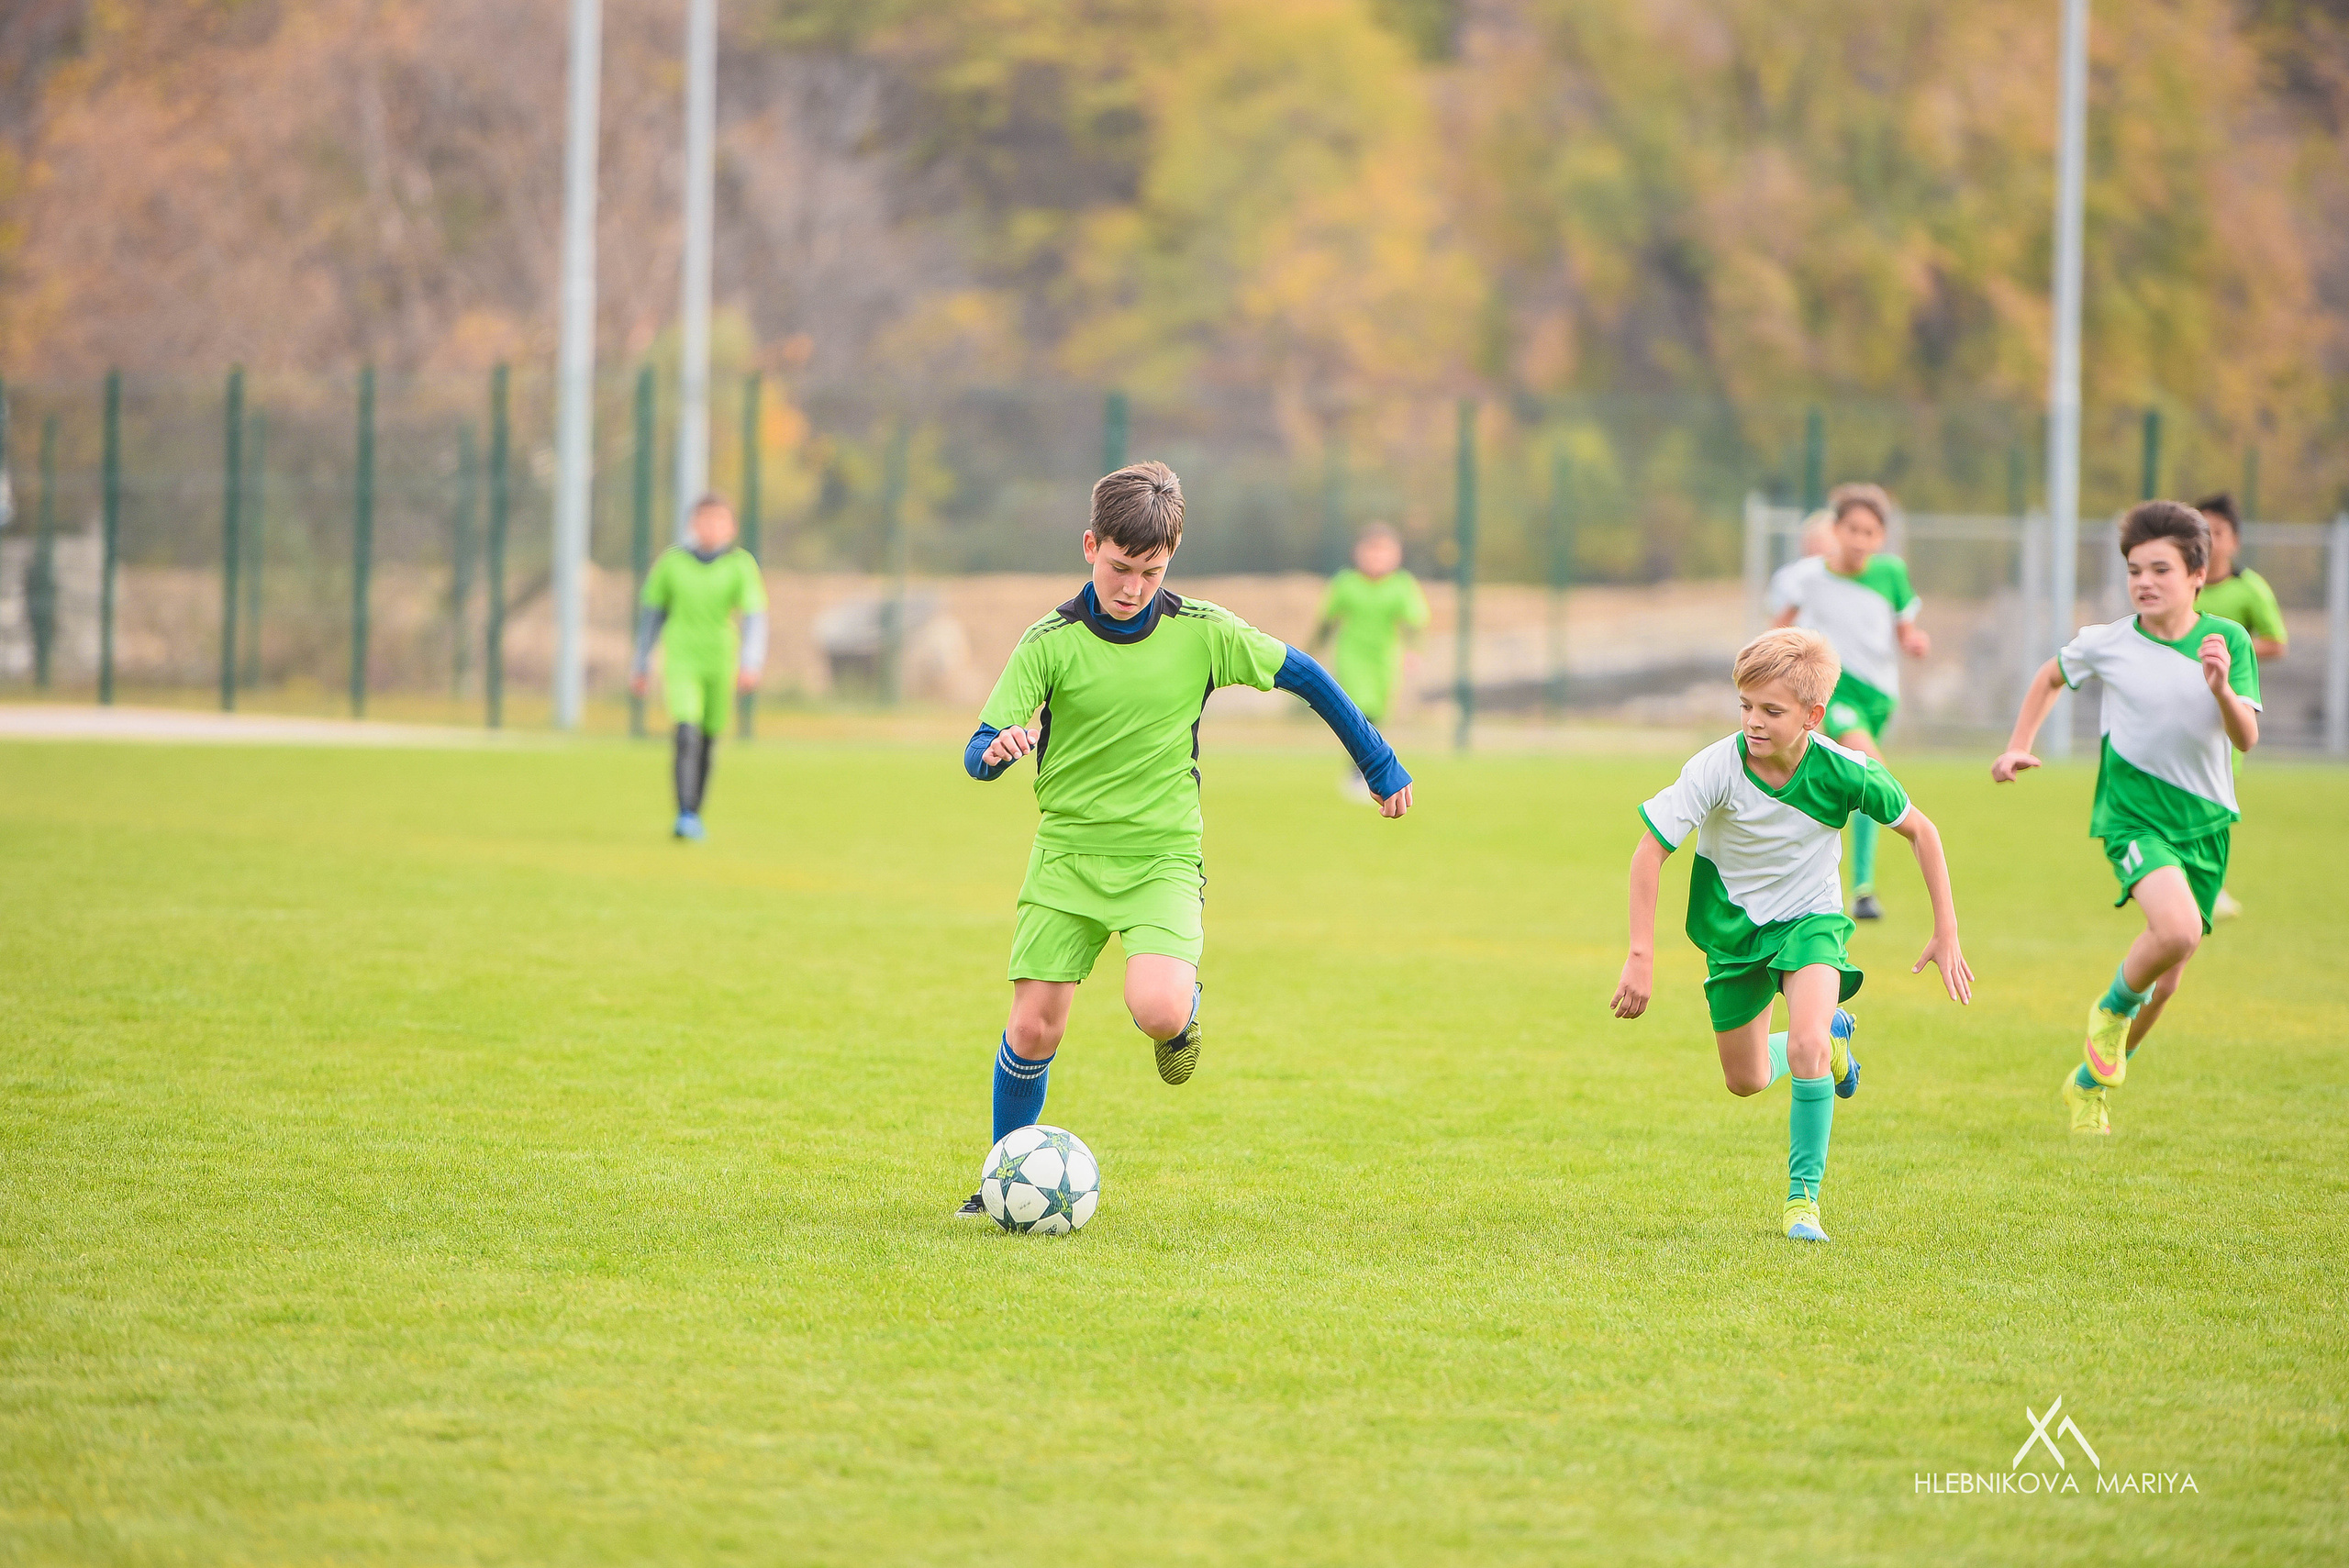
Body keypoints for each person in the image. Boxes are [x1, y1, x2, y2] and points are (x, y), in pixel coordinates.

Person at [956, 462, 1413, 1217]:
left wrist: (1377, 759)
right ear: (1089, 545)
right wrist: (994, 751)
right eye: (1118, 567)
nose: (1132, 586)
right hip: (1066, 854)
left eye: (1150, 570)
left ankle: (1186, 1005)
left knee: (1160, 1011)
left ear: (1171, 559)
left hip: (1162, 857)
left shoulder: (1202, 632)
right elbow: (977, 746)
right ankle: (999, 1177)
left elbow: (1304, 674)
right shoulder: (1049, 640)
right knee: (1034, 1024)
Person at [1612, 628, 1970, 1243]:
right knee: (1745, 1078)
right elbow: (1650, 852)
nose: (1753, 721)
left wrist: (1947, 930)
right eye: (1745, 706)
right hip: (1734, 933)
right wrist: (1641, 954)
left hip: (1812, 921)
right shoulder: (1715, 767)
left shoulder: (1847, 770)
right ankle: (1832, 1044)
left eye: (1771, 711)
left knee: (1801, 1042)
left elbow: (1923, 831)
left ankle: (1803, 1202)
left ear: (1813, 715)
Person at [1991, 502, 2260, 1137]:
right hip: (2132, 817)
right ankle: (2109, 1012)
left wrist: (2221, 687)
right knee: (2178, 929)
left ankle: (2091, 1081)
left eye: (2160, 568)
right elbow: (2049, 676)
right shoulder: (2107, 642)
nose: (2144, 581)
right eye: (2135, 569)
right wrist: (2017, 741)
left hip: (2205, 825)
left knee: (2165, 986)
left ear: (2199, 573)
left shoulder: (2229, 642)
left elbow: (2246, 738)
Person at [1767, 484, 1928, 921]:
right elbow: (1778, 628)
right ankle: (1860, 890)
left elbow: (1903, 629)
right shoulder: (1812, 577)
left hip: (1879, 698)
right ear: (1835, 529)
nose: (1860, 539)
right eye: (1852, 529)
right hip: (1834, 692)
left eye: (1870, 532)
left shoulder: (1892, 574)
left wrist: (1914, 641)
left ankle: (1838, 882)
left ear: (1882, 537)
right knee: (1868, 769)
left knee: (1844, 779)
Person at [630, 495, 768, 840]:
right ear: (693, 524)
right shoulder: (672, 564)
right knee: (685, 732)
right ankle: (685, 811)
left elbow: (754, 617)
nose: (710, 528)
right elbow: (652, 615)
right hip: (681, 657)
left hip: (720, 659)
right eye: (704, 520)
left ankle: (695, 810)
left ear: (731, 527)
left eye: (718, 521)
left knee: (708, 738)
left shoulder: (740, 566)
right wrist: (641, 663)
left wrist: (750, 661)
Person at [2191, 492, 2286, 921]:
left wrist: (2232, 656)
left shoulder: (2250, 590)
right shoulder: (2181, 583)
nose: (2211, 540)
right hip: (2181, 707)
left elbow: (2276, 642)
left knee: (2216, 796)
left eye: (2219, 532)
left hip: (2226, 706)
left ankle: (2212, 883)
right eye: (2203, 531)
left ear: (2235, 541)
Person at [1313, 524, 1430, 800]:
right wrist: (1310, 652)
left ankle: (1364, 771)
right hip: (1352, 656)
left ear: (1396, 556)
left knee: (1375, 713)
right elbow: (1327, 622)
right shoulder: (1346, 583)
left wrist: (1413, 652)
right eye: (1372, 552)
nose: (1377, 559)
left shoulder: (1401, 586)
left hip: (1384, 659)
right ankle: (1361, 774)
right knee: (1358, 711)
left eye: (1384, 553)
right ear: (1359, 554)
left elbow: (1415, 623)